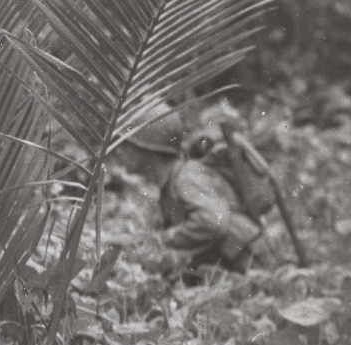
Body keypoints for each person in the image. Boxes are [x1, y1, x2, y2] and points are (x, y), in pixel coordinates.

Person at [116, 113, 275, 273]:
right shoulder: (171, 183)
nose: (119, 151)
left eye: (127, 144)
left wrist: (163, 239)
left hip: (250, 262)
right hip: (237, 261)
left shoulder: (185, 178)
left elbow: (213, 222)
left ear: (148, 149)